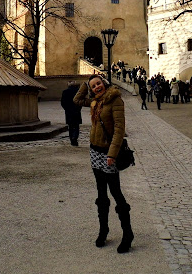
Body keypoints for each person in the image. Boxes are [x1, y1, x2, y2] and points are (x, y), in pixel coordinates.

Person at [73, 74, 134, 253]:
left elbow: (119, 129)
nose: (96, 87)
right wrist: (85, 84)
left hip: (109, 154)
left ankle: (128, 234)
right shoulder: (94, 101)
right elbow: (77, 100)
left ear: (104, 83)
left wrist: (112, 154)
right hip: (95, 151)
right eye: (93, 86)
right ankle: (103, 230)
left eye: (98, 84)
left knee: (116, 193)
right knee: (101, 194)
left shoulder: (115, 100)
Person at [60, 81, 82, 146]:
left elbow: (62, 102)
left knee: (71, 126)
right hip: (76, 111)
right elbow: (80, 101)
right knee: (76, 126)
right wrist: (78, 108)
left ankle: (72, 139)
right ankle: (75, 137)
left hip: (68, 112)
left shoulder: (65, 92)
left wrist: (66, 109)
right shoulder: (78, 91)